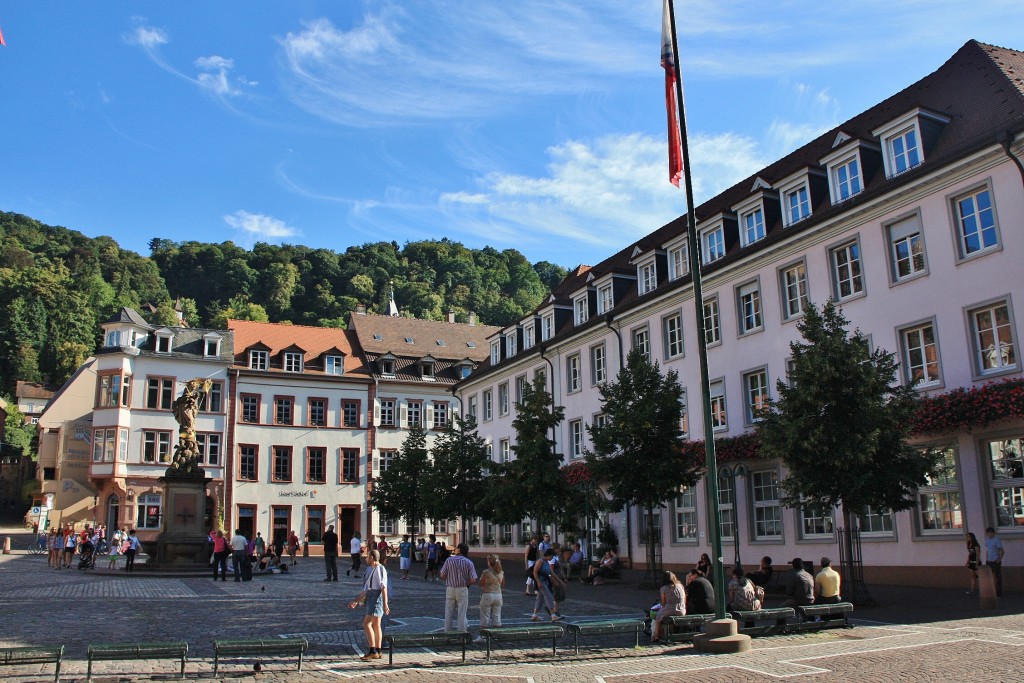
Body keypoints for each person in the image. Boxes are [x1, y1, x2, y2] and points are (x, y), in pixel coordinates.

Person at [348, 549, 389, 661]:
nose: (366, 558)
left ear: (372, 558)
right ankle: (378, 650)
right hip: (371, 596)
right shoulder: (370, 569)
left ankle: (372, 651)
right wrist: (356, 601)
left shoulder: (380, 569)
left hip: (376, 599)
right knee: (376, 625)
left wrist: (385, 604)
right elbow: (366, 589)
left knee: (366, 624)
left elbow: (384, 588)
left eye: (367, 557)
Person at [439, 542, 478, 632]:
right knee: (462, 612)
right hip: (462, 588)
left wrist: (448, 580)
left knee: (448, 612)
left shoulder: (449, 560)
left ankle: (447, 632)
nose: (455, 549)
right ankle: (462, 632)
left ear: (459, 550)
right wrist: (465, 582)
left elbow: (442, 575)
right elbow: (473, 579)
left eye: (456, 548)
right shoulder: (468, 562)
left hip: (450, 588)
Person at [475, 554, 505, 643]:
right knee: (497, 616)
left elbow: (480, 583)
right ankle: (496, 635)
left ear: (489, 562)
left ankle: (483, 637)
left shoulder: (486, 572)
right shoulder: (501, 572)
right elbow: (503, 584)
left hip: (488, 594)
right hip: (498, 595)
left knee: (485, 616)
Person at [530, 548, 564, 622]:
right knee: (548, 596)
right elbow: (534, 572)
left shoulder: (546, 562)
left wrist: (559, 580)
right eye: (552, 556)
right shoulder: (540, 561)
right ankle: (553, 615)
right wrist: (538, 582)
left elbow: (550, 572)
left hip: (545, 581)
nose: (552, 558)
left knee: (540, 598)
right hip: (540, 582)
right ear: (549, 555)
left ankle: (534, 615)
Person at [652, 571, 685, 642]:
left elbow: (663, 602)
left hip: (669, 609)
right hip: (682, 610)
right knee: (667, 616)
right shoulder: (680, 586)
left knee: (658, 616)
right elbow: (684, 599)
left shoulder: (664, 588)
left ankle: (656, 635)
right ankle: (671, 633)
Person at [985, 527, 1004, 597]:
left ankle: (999, 593)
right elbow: (988, 550)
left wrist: (999, 559)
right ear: (987, 533)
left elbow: (1001, 551)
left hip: (995, 561)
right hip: (989, 561)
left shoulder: (996, 540)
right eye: (989, 532)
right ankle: (989, 592)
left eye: (991, 532)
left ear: (994, 533)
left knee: (997, 577)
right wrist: (986, 559)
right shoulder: (987, 540)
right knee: (988, 577)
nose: (990, 534)